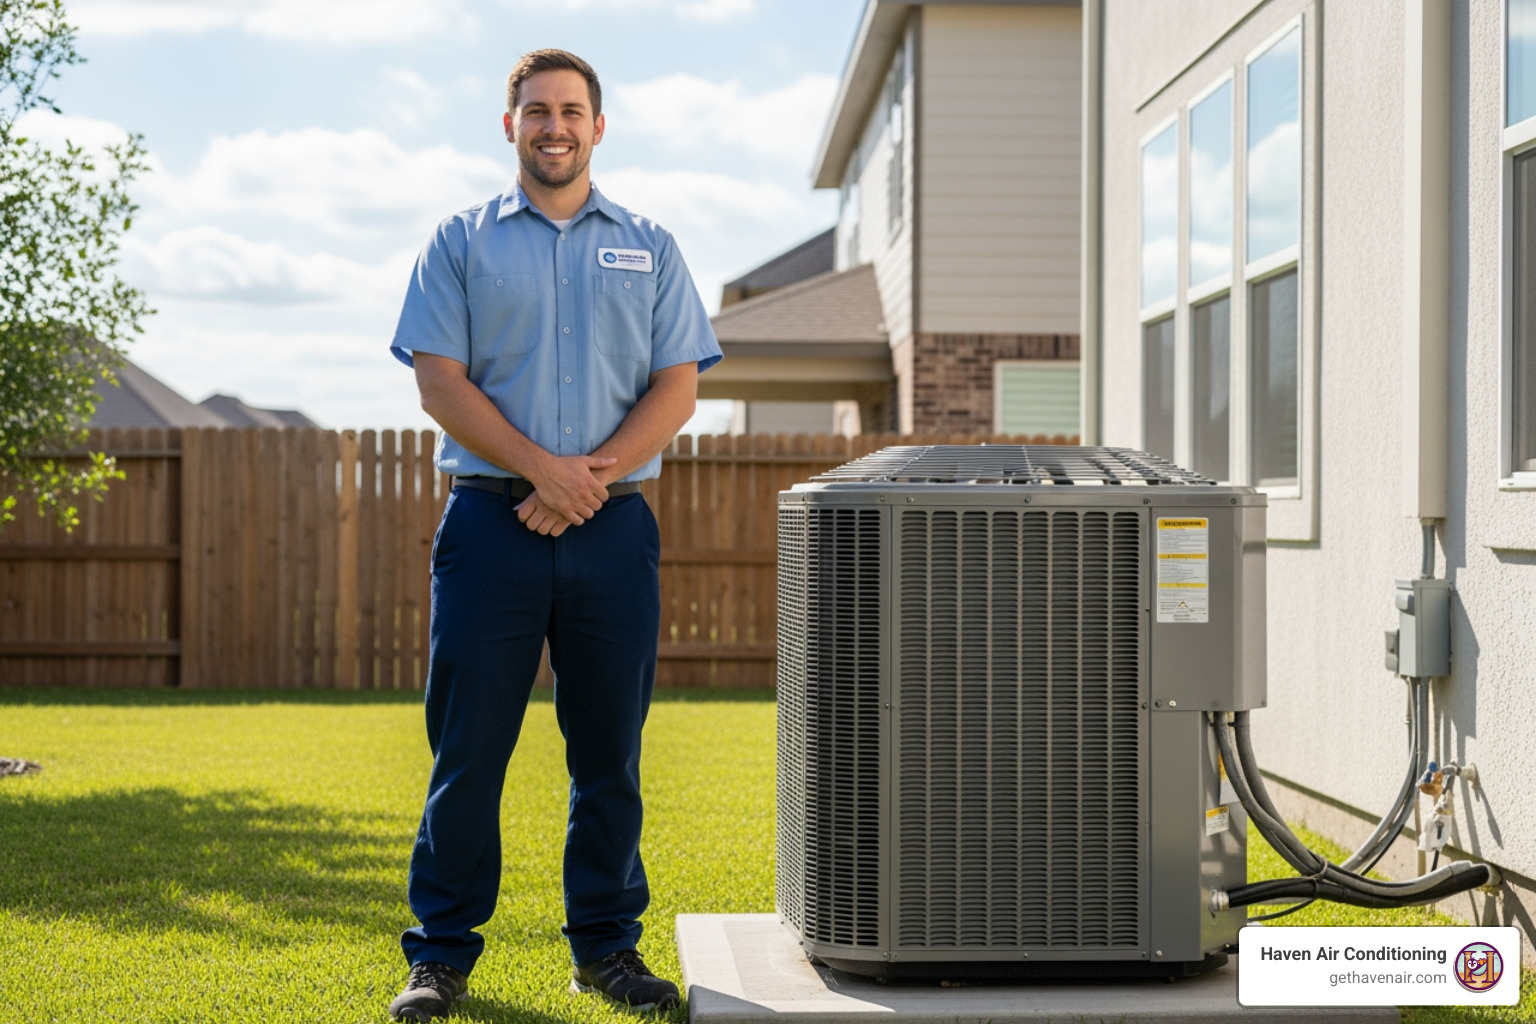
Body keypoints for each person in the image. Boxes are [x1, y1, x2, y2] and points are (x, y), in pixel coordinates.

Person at [384, 48, 722, 1022]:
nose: (555, 126)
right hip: (490, 527)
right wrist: (543, 472)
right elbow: (439, 379)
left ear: (598, 127)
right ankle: (440, 955)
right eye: (537, 110)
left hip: (613, 531)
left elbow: (678, 384)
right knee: (468, 750)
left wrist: (583, 482)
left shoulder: (651, 246)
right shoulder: (460, 240)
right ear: (510, 125)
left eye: (572, 111)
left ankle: (607, 949)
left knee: (609, 750)